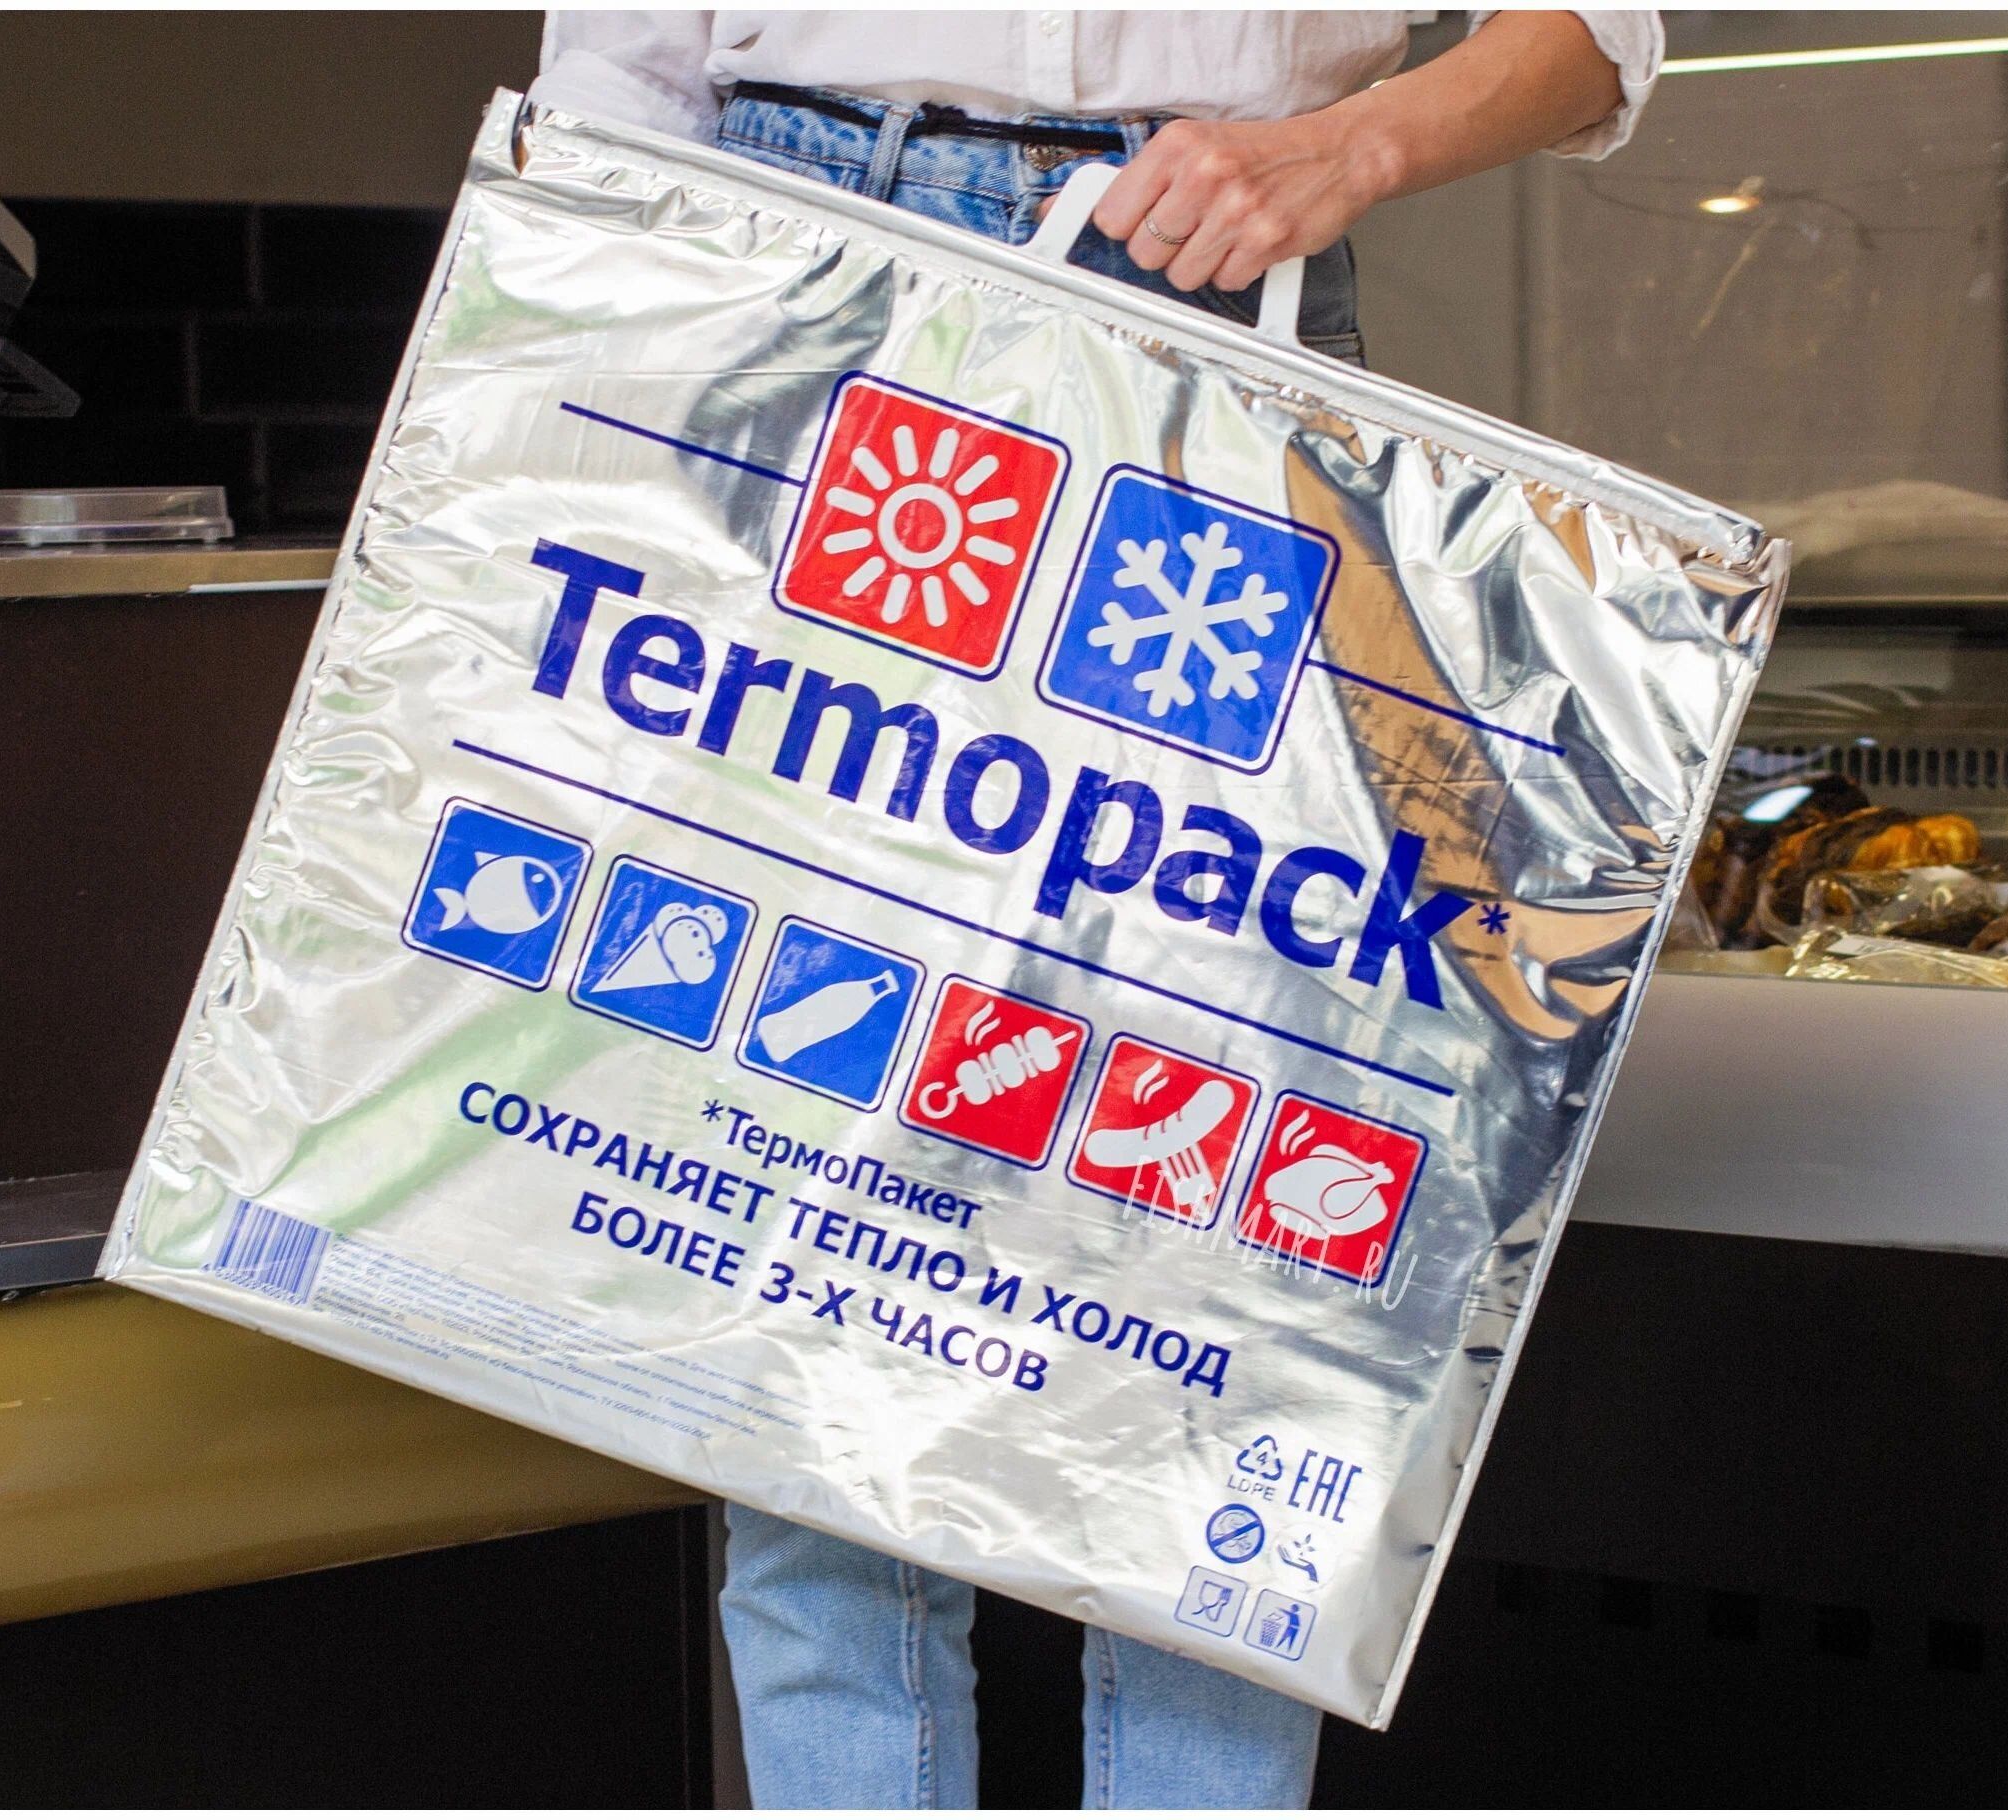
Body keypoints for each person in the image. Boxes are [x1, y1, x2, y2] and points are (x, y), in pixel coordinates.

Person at [530, 11, 1661, 1809]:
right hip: (790, 261)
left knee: (1223, 1228)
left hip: (1219, 278)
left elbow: (1606, 27)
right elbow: (623, 57)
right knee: (790, 1175)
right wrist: (577, 350)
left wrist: (1354, 142)